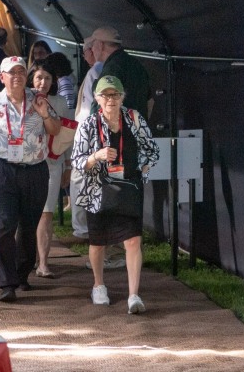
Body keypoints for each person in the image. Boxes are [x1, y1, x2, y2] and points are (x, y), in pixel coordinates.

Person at [0, 56, 61, 302]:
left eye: (21, 71)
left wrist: (44, 115)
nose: (17, 76)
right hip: (2, 170)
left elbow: (55, 130)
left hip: (35, 170)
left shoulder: (39, 100)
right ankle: (6, 283)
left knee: (29, 227)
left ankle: (22, 274)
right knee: (4, 225)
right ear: (2, 77)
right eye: (12, 72)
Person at [71, 75, 159, 314]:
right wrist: (96, 156)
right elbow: (77, 161)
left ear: (122, 97)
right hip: (97, 190)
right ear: (98, 98)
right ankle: (98, 285)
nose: (111, 99)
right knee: (98, 242)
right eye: (106, 95)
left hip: (128, 189)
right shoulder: (88, 124)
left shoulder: (133, 118)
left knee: (132, 240)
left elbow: (152, 150)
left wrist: (141, 168)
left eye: (116, 94)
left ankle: (134, 295)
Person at [27, 60, 71, 279]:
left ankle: (43, 263)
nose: (42, 82)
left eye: (47, 78)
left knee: (46, 213)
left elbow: (68, 136)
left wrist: (69, 165)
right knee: (27, 215)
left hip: (53, 163)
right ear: (31, 79)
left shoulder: (60, 102)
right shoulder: (23, 99)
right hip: (27, 165)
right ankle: (28, 258)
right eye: (38, 78)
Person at [65, 40, 101, 244]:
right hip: (86, 130)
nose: (85, 55)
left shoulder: (97, 70)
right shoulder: (95, 70)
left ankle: (83, 229)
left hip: (88, 131)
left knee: (81, 177)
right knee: (81, 177)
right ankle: (83, 227)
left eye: (85, 51)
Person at [87, 26, 152, 119]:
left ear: (100, 45)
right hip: (138, 129)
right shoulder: (136, 64)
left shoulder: (111, 69)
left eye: (92, 45)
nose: (92, 50)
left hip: (119, 132)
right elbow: (150, 101)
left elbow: (104, 108)